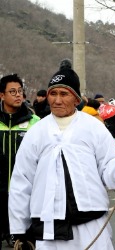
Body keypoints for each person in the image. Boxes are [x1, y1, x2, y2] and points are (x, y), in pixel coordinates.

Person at [7, 60, 115, 249]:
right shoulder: (36, 132)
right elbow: (22, 181)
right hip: (48, 231)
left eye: (64, 94)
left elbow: (110, 164)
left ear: (77, 99)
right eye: (53, 93)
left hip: (91, 228)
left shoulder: (93, 128)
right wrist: (20, 228)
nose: (57, 100)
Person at [0, 74, 40, 249]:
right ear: (2, 95)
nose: (18, 95)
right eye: (12, 91)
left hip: (25, 195)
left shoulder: (35, 123)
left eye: (20, 91)